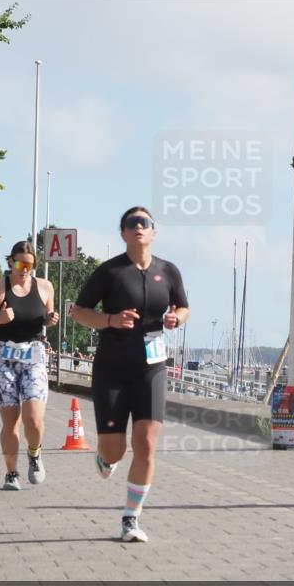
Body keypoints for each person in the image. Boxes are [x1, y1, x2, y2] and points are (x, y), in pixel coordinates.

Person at [70, 206, 190, 542]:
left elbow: (184, 307)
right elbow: (79, 312)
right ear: (123, 233)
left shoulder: (168, 271)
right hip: (112, 366)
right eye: (132, 223)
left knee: (146, 444)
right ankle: (106, 458)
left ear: (153, 232)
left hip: (151, 367)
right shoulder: (109, 272)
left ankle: (130, 518)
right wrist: (110, 320)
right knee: (115, 450)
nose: (139, 226)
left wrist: (177, 319)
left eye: (144, 222)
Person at [0, 241, 59, 491]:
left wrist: (51, 319)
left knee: (34, 420)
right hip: (5, 358)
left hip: (33, 356)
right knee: (11, 422)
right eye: (20, 264)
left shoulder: (45, 286)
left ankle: (34, 453)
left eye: (29, 265)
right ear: (11, 262)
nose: (24, 270)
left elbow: (47, 316)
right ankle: (11, 473)